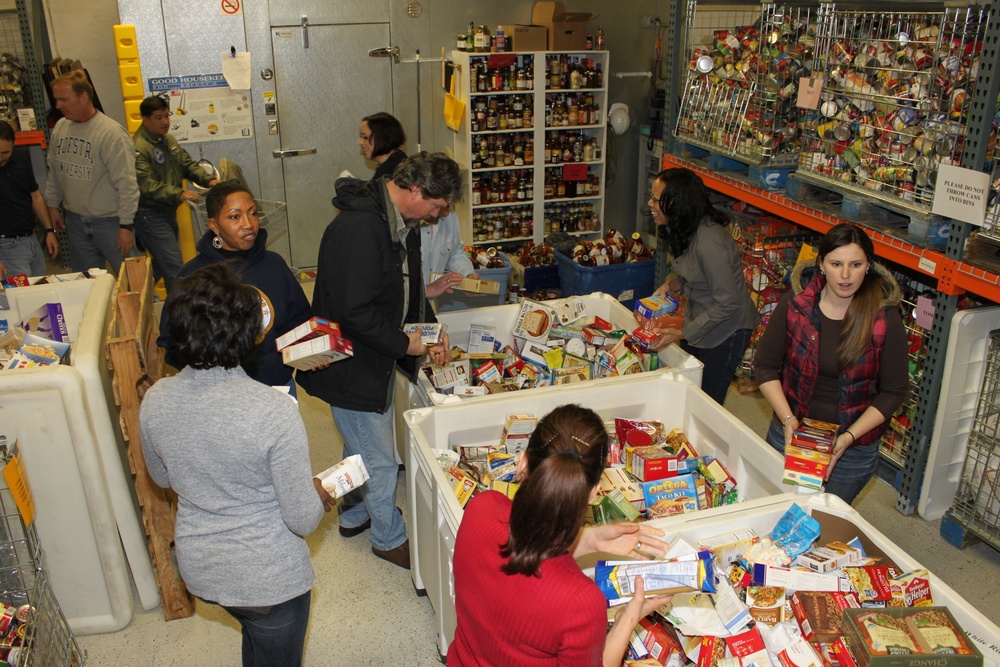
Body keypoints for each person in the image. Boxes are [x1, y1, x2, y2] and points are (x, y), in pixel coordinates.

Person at [140, 263, 333, 667]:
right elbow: (301, 519)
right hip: (268, 579)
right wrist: (318, 492)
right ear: (249, 335)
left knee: (256, 638)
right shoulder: (272, 410)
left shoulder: (156, 398)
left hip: (203, 570)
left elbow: (162, 476)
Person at [297, 152, 460, 569]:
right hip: (353, 366)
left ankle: (353, 515)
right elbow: (354, 312)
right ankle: (388, 538)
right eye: (436, 208)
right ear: (417, 191)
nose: (437, 218)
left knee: (360, 449)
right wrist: (406, 345)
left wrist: (430, 329)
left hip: (375, 359)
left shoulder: (403, 223)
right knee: (381, 460)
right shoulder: (359, 228)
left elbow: (409, 291)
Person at [449, 404, 673, 667]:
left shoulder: (481, 508)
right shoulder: (581, 602)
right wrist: (628, 618)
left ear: (523, 461)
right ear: (594, 492)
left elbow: (523, 557)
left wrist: (589, 539)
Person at [754, 223, 908, 504]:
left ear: (868, 266)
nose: (846, 275)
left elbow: (894, 391)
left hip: (852, 449)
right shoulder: (796, 306)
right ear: (821, 264)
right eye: (836, 263)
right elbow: (764, 365)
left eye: (856, 264)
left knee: (824, 524)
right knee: (774, 510)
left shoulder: (885, 319)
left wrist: (847, 438)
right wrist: (788, 420)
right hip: (791, 435)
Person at [157, 181, 312, 395]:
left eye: (253, 213)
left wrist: (310, 350)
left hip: (277, 388)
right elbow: (171, 341)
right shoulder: (192, 276)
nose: (248, 224)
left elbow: (299, 320)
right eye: (234, 216)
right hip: (220, 396)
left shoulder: (274, 265)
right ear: (213, 225)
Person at [644, 167, 759, 405]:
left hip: (727, 330)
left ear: (677, 204)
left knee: (706, 402)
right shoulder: (682, 228)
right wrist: (670, 284)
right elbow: (695, 277)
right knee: (689, 388)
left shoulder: (710, 244)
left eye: (656, 200)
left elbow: (728, 303)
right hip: (702, 317)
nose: (650, 204)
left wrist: (684, 332)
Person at [44, 69, 139, 276]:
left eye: (63, 100)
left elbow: (127, 185)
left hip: (111, 223)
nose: (58, 106)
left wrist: (126, 226)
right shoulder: (60, 128)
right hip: (76, 221)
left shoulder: (110, 134)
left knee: (133, 282)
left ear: (84, 97)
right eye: (56, 100)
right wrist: (53, 206)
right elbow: (54, 172)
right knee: (87, 285)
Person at [133, 95, 219, 292]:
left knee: (161, 264)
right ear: (145, 119)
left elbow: (186, 165)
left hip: (167, 211)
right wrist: (180, 194)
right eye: (158, 117)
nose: (165, 122)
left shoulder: (167, 140)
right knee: (174, 267)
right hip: (149, 214)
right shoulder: (139, 147)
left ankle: (137, 296)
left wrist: (208, 180)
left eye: (166, 116)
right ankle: (181, 314)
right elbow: (146, 185)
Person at [0, 122, 59, 280]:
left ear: (13, 145)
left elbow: (35, 196)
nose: (0, 158)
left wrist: (49, 231)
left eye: (5, 152)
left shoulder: (20, 159)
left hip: (31, 241)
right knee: (21, 297)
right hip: (7, 248)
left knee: (37, 291)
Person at [421, 204, 480, 300]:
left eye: (449, 203)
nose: (446, 212)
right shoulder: (405, 221)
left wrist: (467, 276)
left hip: (430, 304)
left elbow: (455, 252)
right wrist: (427, 290)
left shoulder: (450, 217)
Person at [359, 112, 407, 181]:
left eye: (365, 137)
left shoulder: (391, 174)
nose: (360, 142)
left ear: (381, 137)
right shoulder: (398, 160)